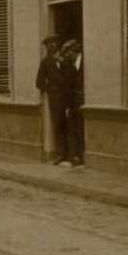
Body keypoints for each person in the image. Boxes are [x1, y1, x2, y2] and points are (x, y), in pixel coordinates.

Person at [35, 35, 71, 166]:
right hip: (56, 98)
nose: (53, 47)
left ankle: (73, 155)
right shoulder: (45, 63)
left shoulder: (66, 60)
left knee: (71, 125)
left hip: (69, 97)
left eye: (55, 45)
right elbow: (39, 82)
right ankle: (61, 155)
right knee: (59, 126)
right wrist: (51, 89)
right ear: (47, 48)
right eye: (50, 45)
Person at [61, 39, 85, 167]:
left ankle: (81, 156)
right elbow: (68, 87)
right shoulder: (70, 64)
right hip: (73, 102)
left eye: (67, 53)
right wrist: (68, 105)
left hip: (84, 101)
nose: (66, 56)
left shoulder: (85, 62)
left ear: (73, 51)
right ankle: (75, 156)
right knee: (74, 129)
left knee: (81, 129)